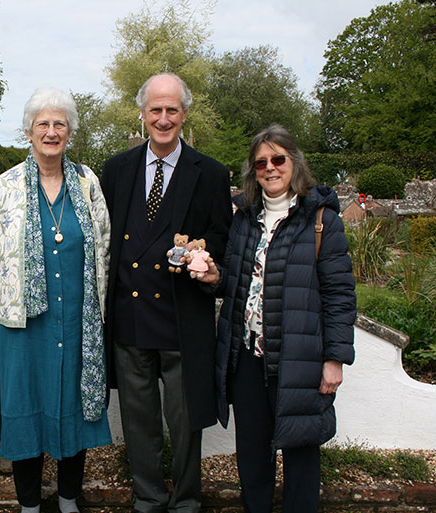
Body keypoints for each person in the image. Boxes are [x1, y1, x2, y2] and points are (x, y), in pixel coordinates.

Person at [189, 124, 356, 513]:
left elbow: (339, 294)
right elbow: (234, 281)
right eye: (261, 162)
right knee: (252, 454)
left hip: (299, 358)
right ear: (253, 170)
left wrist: (335, 359)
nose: (270, 168)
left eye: (278, 159)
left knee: (300, 453)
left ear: (293, 163)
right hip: (247, 357)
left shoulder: (321, 221)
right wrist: (215, 278)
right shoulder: (244, 218)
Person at [0, 88, 111, 513]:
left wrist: (101, 311)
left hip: (78, 323)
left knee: (75, 409)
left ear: (69, 132)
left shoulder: (87, 183)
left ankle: (69, 501)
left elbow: (103, 246)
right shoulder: (7, 186)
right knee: (25, 414)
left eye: (59, 124)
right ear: (29, 131)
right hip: (20, 325)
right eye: (43, 124)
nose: (51, 132)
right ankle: (30, 505)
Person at [100, 73, 232, 513]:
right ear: (142, 115)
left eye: (171, 110)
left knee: (185, 419)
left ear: (184, 115)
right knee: (139, 422)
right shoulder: (116, 169)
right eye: (155, 110)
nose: (162, 118)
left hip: (182, 318)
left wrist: (207, 263)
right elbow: (105, 241)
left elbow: (221, 238)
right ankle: (149, 497)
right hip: (131, 319)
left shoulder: (210, 174)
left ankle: (188, 499)